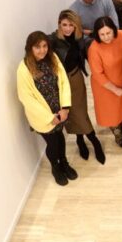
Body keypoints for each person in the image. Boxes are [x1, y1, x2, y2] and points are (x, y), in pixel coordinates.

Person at [16, 31, 77, 186]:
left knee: (60, 137)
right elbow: (27, 98)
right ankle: (55, 167)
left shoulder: (52, 58)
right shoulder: (24, 69)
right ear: (30, 48)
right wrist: (50, 118)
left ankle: (64, 163)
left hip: (59, 110)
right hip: (43, 116)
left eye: (44, 46)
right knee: (52, 143)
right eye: (37, 47)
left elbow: (63, 81)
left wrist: (65, 108)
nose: (42, 50)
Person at [49, 10, 104, 164]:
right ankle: (80, 140)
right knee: (70, 113)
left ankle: (94, 141)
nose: (67, 28)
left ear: (76, 26)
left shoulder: (81, 39)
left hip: (75, 78)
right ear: (59, 24)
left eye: (71, 25)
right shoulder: (52, 40)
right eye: (64, 25)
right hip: (60, 83)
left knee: (80, 112)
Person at [87, 16, 122, 152]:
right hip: (105, 87)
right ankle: (119, 138)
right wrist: (115, 90)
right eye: (102, 34)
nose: (106, 37)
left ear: (114, 30)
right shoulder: (94, 48)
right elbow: (98, 74)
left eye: (108, 33)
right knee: (113, 113)